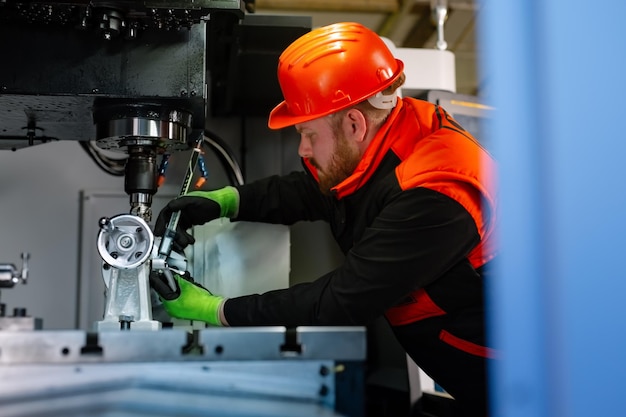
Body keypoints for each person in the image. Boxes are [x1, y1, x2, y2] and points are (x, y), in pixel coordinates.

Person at [151, 22, 498, 417]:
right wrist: (225, 202)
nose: (302, 148)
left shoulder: (439, 191)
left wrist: (214, 309)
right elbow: (317, 190)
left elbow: (339, 301)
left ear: (354, 123)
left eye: (308, 134)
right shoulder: (389, 134)